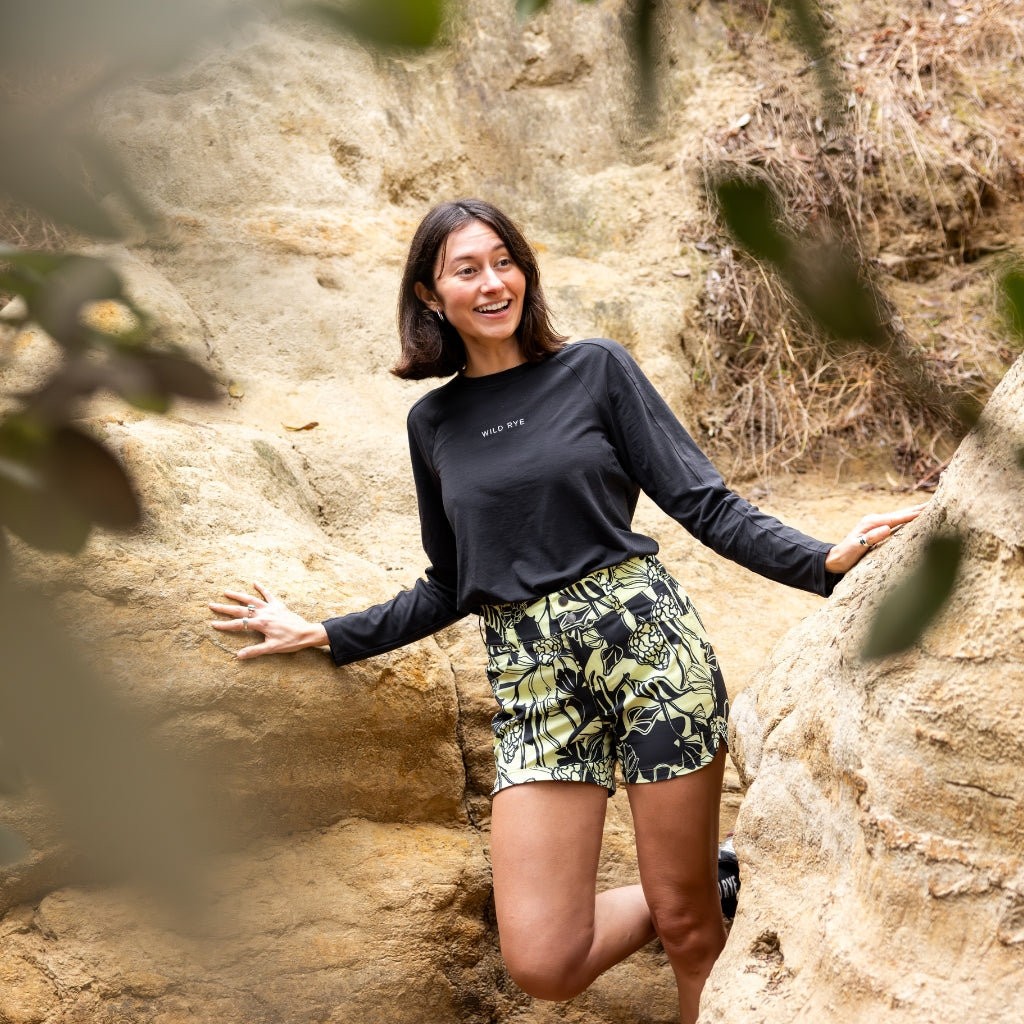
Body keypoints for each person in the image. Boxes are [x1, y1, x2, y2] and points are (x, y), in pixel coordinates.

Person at [210, 198, 925, 1023]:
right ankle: (721, 873)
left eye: (504, 260)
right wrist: (327, 633)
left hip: (650, 651)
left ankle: (696, 892)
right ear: (430, 295)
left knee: (692, 935)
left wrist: (825, 562)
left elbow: (707, 506)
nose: (492, 282)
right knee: (545, 960)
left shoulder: (596, 370)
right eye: (466, 269)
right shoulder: (433, 422)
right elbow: (450, 583)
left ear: (526, 269)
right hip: (533, 684)